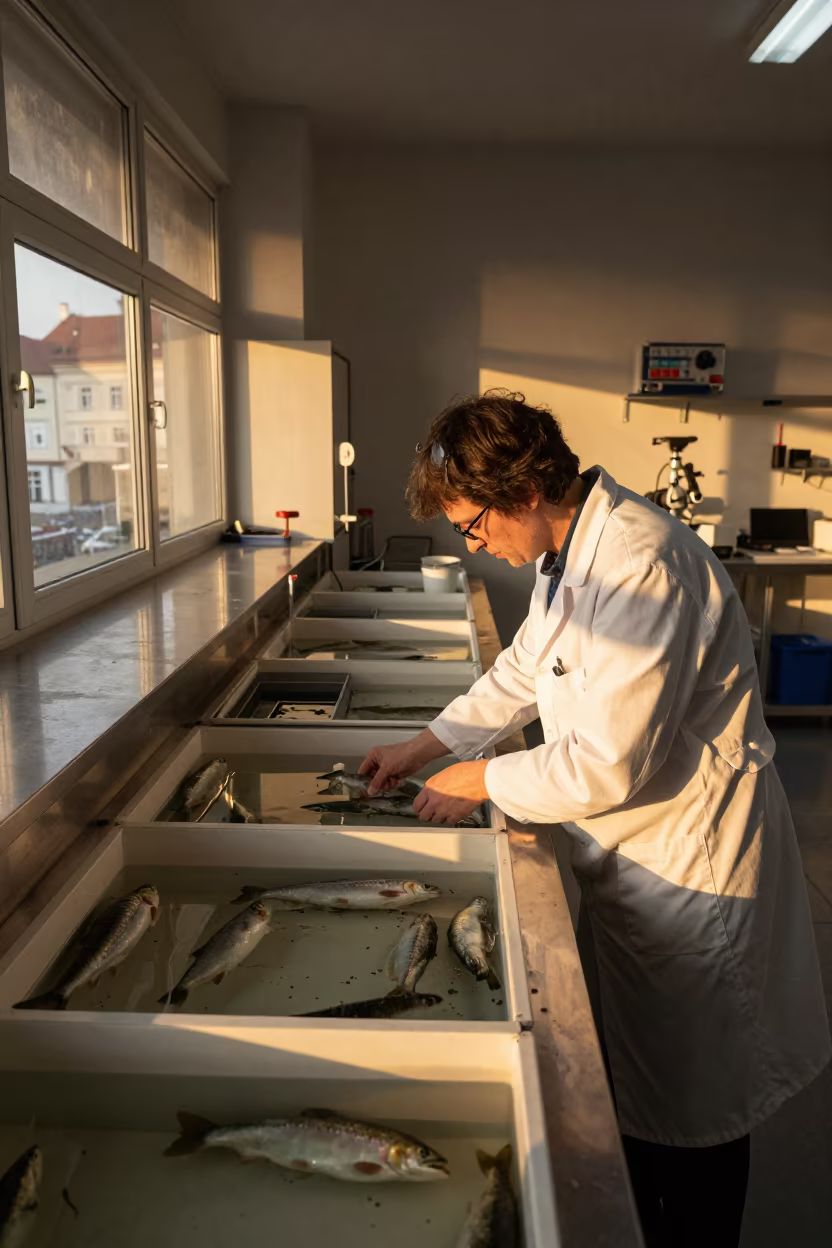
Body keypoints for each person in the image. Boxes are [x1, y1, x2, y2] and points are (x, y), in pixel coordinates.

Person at [359, 390, 831, 1248]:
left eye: (473, 526)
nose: (476, 546)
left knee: (697, 1116)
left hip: (694, 871)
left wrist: (482, 779)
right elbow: (522, 674)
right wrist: (424, 745)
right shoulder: (568, 557)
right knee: (649, 1095)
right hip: (632, 863)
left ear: (525, 492)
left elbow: (611, 761)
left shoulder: (641, 564)